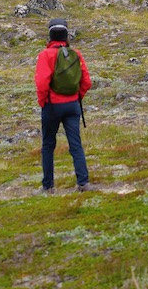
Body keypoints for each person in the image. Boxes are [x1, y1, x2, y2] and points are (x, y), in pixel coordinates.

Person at [35, 17, 92, 193]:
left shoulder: (45, 55)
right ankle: (83, 183)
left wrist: (43, 101)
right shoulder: (76, 54)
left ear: (50, 35)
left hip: (52, 106)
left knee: (48, 145)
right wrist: (76, 97)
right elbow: (86, 81)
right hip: (72, 105)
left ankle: (48, 187)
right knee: (76, 144)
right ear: (66, 35)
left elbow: (42, 83)